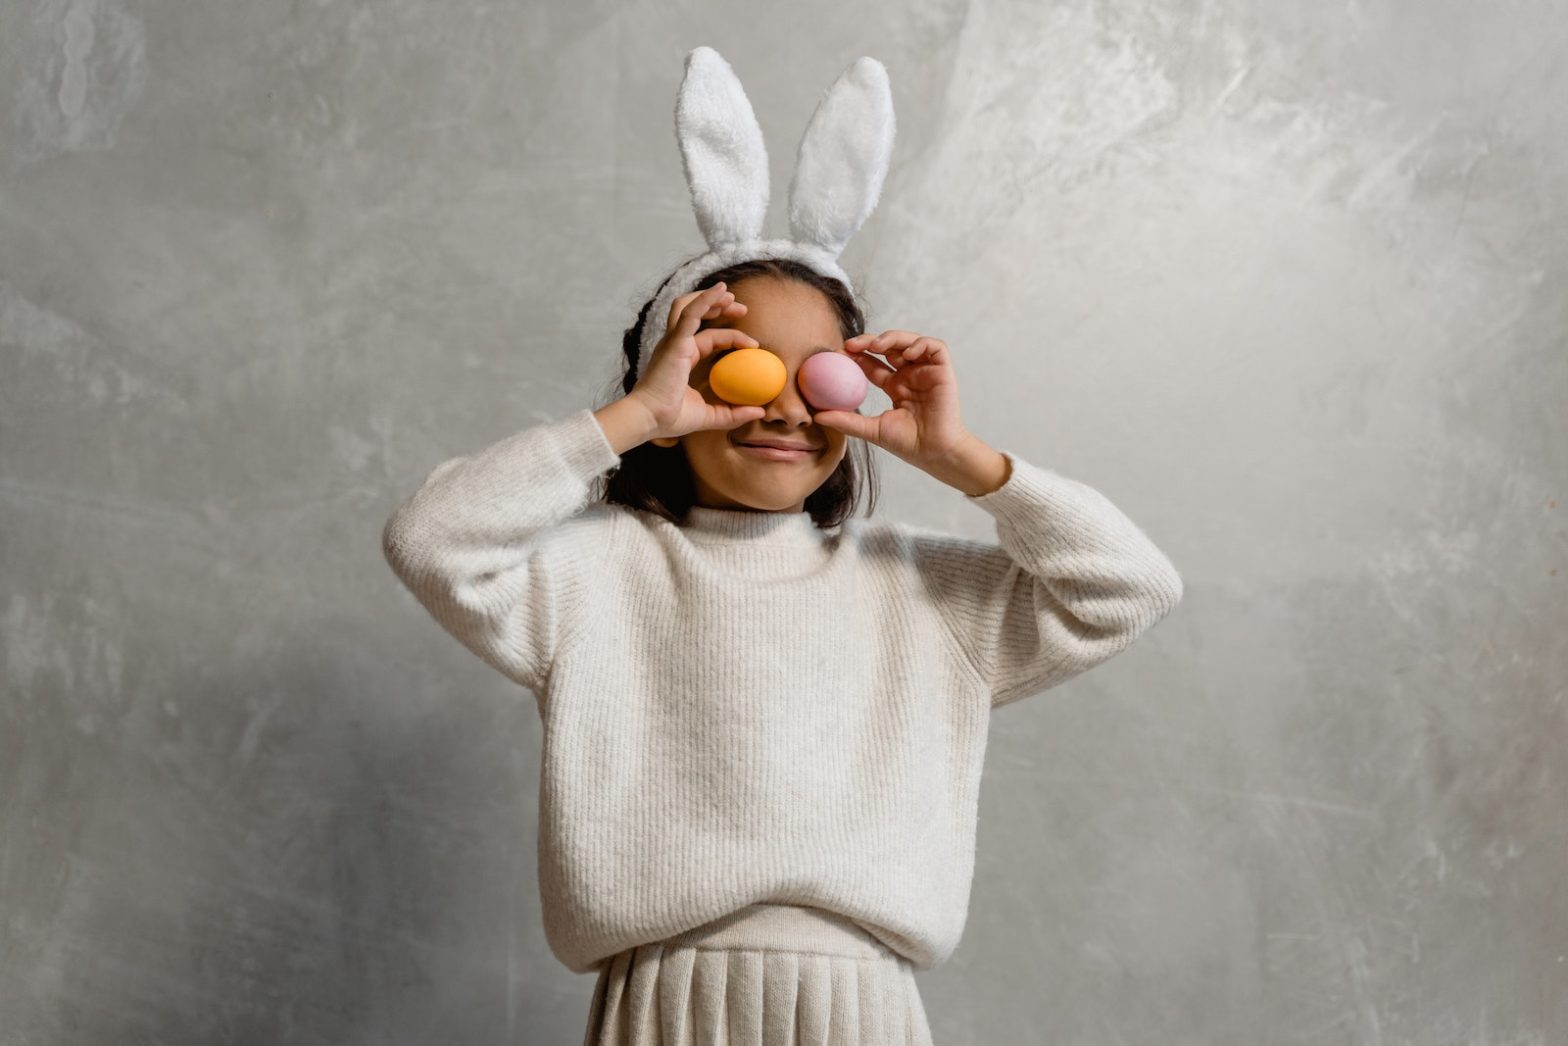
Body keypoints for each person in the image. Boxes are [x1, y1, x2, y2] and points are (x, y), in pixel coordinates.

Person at [381, 48, 1183, 1046]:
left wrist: (962, 457)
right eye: (741, 369)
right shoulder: (601, 572)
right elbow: (431, 537)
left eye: (824, 378)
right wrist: (629, 415)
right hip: (661, 999)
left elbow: (1128, 586)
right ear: (673, 387)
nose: (785, 408)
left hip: (866, 1004)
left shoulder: (919, 588)